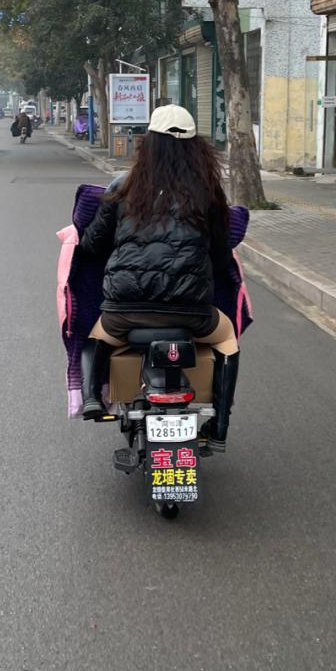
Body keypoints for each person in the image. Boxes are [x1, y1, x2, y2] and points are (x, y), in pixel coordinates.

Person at [77, 103, 240, 446]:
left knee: (95, 336)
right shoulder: (209, 194)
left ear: (147, 143)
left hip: (125, 312)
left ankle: (92, 397)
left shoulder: (122, 186)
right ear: (197, 149)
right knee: (228, 342)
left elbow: (92, 245)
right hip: (192, 313)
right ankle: (219, 427)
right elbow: (222, 255)